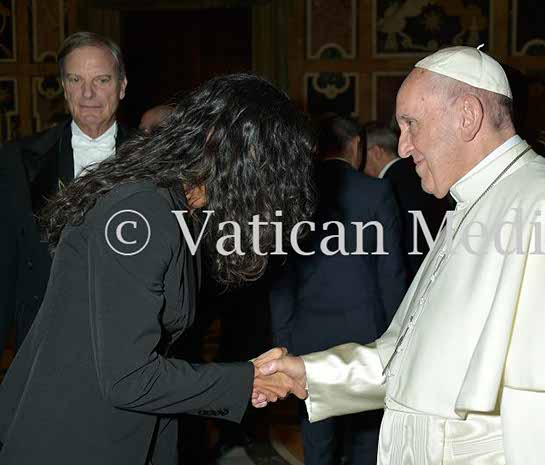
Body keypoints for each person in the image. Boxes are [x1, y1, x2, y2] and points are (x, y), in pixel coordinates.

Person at [252, 46, 545, 465]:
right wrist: (311, 373)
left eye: (411, 124)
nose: (403, 147)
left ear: (468, 116)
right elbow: (409, 358)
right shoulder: (471, 204)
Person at [0, 74, 313, 465]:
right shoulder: (142, 211)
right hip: (75, 439)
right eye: (271, 170)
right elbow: (128, 378)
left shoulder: (172, 206)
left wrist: (244, 380)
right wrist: (245, 380)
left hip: (117, 434)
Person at [269, 115, 407, 465]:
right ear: (357, 145)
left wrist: (283, 340)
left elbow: (280, 280)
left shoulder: (292, 194)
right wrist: (399, 339)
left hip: (307, 337)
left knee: (317, 444)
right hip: (367, 337)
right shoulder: (375, 192)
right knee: (367, 442)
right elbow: (391, 274)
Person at [0, 32, 129, 350]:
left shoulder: (155, 160)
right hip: (46, 341)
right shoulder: (19, 160)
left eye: (101, 80)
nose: (88, 93)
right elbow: (6, 262)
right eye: (75, 80)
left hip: (130, 338)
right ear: (63, 87)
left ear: (122, 86)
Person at [363, 121, 449, 279]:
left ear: (376, 152)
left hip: (410, 275)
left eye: (363, 155)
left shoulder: (383, 188)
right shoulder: (424, 172)